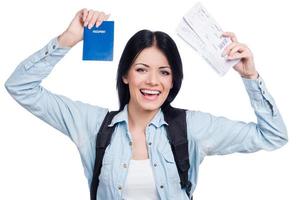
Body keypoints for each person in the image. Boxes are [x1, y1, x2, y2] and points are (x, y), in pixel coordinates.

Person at [5, 8, 288, 200]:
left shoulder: (193, 128)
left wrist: (250, 76)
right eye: (141, 69)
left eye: (164, 72)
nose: (153, 81)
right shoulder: (92, 125)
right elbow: (20, 86)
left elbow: (273, 136)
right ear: (126, 75)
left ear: (173, 80)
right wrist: (68, 39)